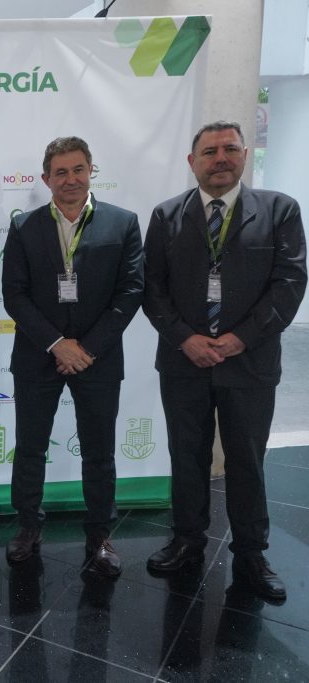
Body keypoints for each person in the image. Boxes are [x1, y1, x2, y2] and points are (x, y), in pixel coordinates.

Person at [143, 121, 306, 601]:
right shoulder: (167, 215)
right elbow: (151, 288)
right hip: (184, 361)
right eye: (209, 151)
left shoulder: (279, 210)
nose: (220, 159)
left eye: (230, 149)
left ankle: (251, 554)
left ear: (245, 156)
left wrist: (241, 339)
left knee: (247, 460)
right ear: (191, 161)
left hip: (249, 363)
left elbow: (290, 284)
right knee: (186, 455)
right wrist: (184, 338)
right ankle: (187, 541)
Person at [1, 136, 144, 578]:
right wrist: (56, 343)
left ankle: (99, 535)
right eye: (60, 172)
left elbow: (131, 292)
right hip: (37, 355)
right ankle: (28, 526)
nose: (70, 179)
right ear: (46, 178)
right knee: (30, 449)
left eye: (78, 169)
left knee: (99, 452)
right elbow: (14, 295)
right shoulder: (23, 226)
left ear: (91, 171)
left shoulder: (122, 223)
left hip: (98, 358)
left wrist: (86, 348)